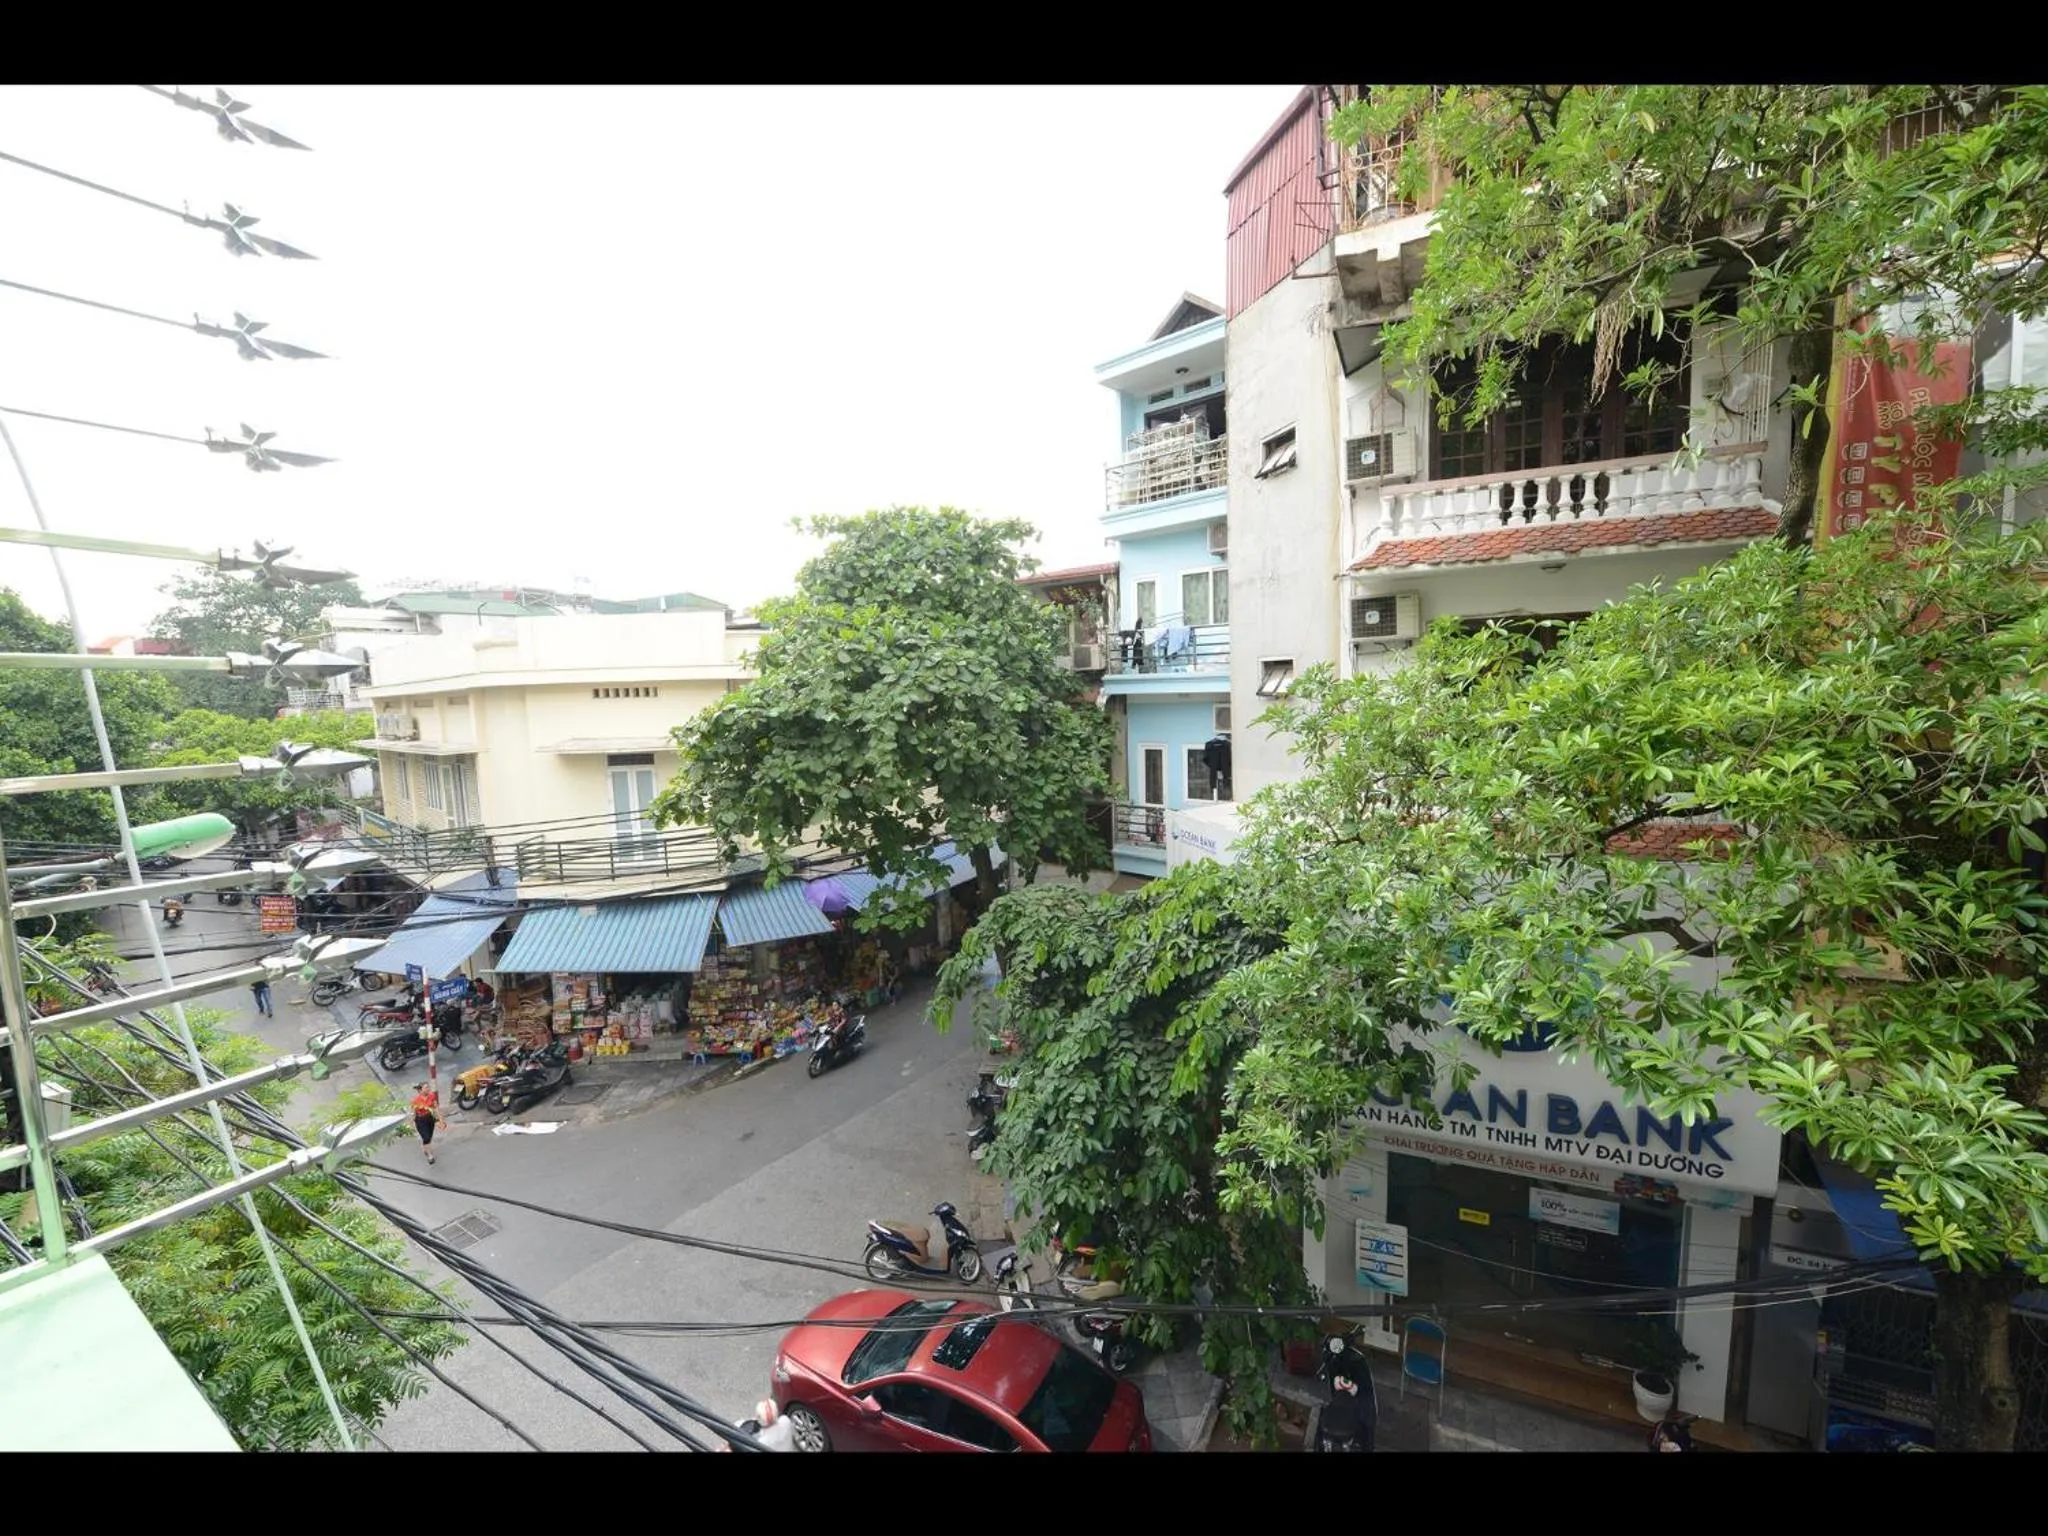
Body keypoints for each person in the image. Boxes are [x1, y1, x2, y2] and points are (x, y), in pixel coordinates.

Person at [410, 1082, 446, 1166]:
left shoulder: (432, 1096)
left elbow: (436, 1108)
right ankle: (430, 1155)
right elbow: (413, 1113)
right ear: (420, 1090)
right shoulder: (415, 1100)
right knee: (426, 1137)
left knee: (429, 1136)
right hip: (420, 1120)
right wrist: (411, 1124)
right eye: (426, 1087)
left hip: (430, 1118)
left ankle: (425, 1147)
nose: (428, 1089)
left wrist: (441, 1120)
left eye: (428, 1087)